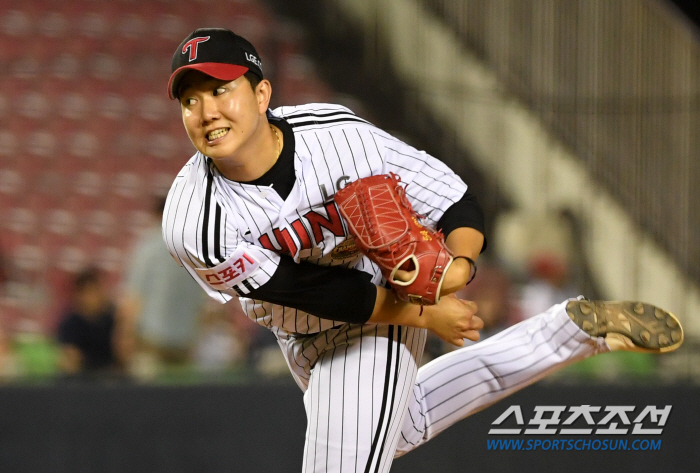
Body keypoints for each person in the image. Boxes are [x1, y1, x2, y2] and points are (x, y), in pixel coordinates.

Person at [162, 28, 684, 472]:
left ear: (260, 94)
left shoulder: (339, 137)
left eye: (220, 91)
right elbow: (305, 290)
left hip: (378, 305)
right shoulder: (194, 222)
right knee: (403, 426)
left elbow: (455, 200)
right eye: (191, 100)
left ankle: (564, 333)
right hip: (303, 323)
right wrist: (428, 312)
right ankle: (568, 331)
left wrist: (455, 271)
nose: (206, 112)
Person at [117, 196, 206, 378]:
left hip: (152, 341)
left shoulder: (147, 249)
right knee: (180, 399)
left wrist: (125, 334)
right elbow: (201, 303)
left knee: (151, 401)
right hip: (184, 341)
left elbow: (134, 297)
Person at [57, 267, 120, 376]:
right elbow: (70, 359)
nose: (92, 298)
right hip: (82, 382)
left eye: (97, 290)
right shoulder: (70, 324)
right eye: (88, 292)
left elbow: (123, 357)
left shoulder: (114, 320)